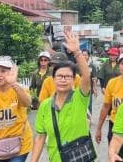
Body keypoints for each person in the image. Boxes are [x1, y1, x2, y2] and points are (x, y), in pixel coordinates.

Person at [30, 32, 92, 162]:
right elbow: (41, 137)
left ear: (74, 79)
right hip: (56, 158)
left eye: (67, 76)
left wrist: (77, 53)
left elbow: (86, 76)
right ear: (53, 79)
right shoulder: (46, 106)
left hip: (79, 158)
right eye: (59, 76)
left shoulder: (79, 98)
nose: (63, 80)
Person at [95, 52, 123, 153]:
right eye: (122, 63)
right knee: (114, 155)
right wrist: (98, 128)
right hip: (115, 125)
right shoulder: (112, 82)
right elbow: (106, 106)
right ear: (118, 66)